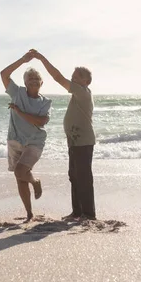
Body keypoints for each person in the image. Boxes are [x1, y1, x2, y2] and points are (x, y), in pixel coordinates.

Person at [29, 49, 96, 220]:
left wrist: (42, 58)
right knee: (74, 176)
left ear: (85, 81)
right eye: (72, 76)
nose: (72, 79)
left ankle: (88, 214)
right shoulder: (78, 93)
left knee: (83, 178)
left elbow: (58, 78)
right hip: (75, 141)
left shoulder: (82, 92)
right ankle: (77, 212)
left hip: (83, 142)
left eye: (75, 77)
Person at [0, 51, 52, 221]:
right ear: (25, 82)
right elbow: (4, 74)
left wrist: (19, 111)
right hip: (15, 140)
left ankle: (35, 182)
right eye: (30, 79)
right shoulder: (17, 93)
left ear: (42, 83)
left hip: (35, 143)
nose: (34, 81)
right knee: (19, 177)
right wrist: (23, 60)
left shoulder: (45, 102)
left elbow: (40, 122)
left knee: (21, 171)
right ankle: (29, 213)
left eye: (37, 79)